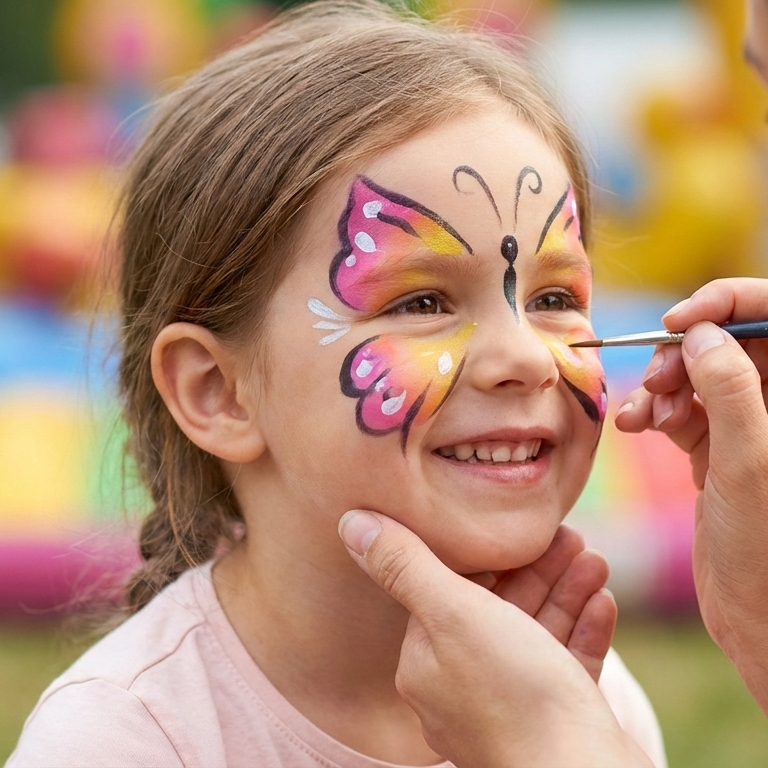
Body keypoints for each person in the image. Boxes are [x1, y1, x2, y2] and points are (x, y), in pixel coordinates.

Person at [6, 1, 668, 766]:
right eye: (422, 301)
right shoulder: (122, 742)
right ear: (216, 391)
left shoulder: (575, 697)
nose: (526, 357)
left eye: (554, 299)